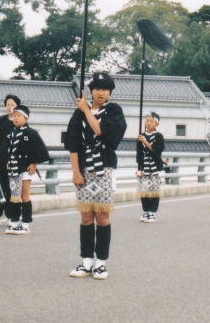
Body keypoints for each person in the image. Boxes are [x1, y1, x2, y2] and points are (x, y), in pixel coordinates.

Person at [65, 72, 126, 280]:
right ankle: (86, 261)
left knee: (102, 216)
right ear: (90, 91)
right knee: (85, 216)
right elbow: (72, 142)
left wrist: (86, 110)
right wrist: (75, 171)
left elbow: (101, 131)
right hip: (84, 169)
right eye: (97, 89)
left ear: (110, 92)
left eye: (105, 89)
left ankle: (101, 262)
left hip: (104, 168)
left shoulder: (114, 110)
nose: (101, 93)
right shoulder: (79, 112)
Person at [3, 104, 49, 235]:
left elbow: (39, 149)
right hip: (13, 167)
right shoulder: (11, 133)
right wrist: (7, 160)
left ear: (26, 118)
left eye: (19, 116)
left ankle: (25, 224)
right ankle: (14, 223)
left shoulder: (31, 133)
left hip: (25, 167)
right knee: (14, 196)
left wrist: (34, 163)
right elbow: (6, 150)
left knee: (24, 195)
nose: (16, 119)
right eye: (14, 116)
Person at [0, 94, 20, 228]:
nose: (10, 107)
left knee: (10, 189)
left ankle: (10, 216)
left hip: (13, 160)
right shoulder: (1, 120)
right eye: (8, 104)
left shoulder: (19, 121)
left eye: (12, 105)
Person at [136, 111, 165, 223]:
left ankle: (152, 212)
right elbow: (139, 154)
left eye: (151, 121)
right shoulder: (141, 136)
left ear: (156, 124)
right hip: (145, 168)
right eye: (147, 121)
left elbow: (156, 151)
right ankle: (146, 211)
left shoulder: (159, 136)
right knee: (144, 191)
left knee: (154, 191)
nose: (148, 123)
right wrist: (139, 168)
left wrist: (145, 141)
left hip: (155, 168)